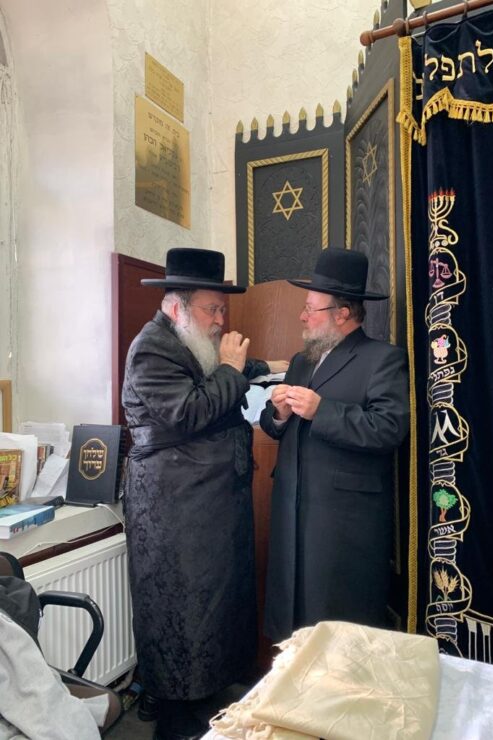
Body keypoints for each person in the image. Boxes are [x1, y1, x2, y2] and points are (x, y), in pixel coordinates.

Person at [122, 247, 287, 740]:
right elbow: (190, 410)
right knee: (183, 612)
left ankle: (212, 695)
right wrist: (235, 370)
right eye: (212, 309)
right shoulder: (150, 349)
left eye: (222, 309)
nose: (220, 320)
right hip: (173, 509)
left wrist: (271, 366)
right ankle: (179, 714)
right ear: (178, 306)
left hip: (210, 502)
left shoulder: (187, 339)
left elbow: (220, 367)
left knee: (215, 606)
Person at [260, 247, 410, 642]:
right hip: (291, 514)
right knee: (292, 626)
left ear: (342, 314)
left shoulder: (382, 359)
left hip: (343, 525)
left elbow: (389, 428)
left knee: (336, 628)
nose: (302, 316)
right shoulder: (301, 361)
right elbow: (274, 426)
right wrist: (279, 414)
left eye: (311, 308)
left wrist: (321, 410)